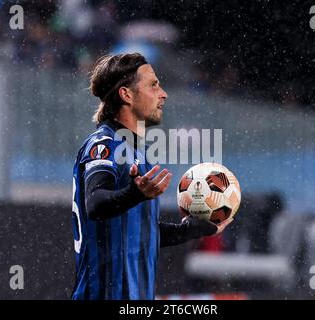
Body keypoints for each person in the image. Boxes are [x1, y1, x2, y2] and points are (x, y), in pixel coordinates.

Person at [71, 53, 232, 300]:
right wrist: (135, 193)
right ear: (126, 94)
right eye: (153, 85)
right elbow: (95, 203)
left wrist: (190, 230)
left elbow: (139, 232)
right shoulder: (104, 144)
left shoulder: (139, 154)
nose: (163, 93)